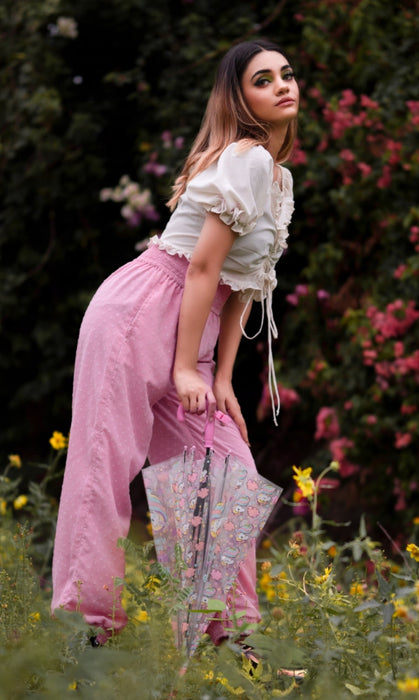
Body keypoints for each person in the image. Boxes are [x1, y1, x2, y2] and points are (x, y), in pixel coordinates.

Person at [51, 38, 299, 648]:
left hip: (196, 328)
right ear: (240, 100)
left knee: (227, 474)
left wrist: (217, 380)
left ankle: (231, 641)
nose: (283, 85)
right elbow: (201, 268)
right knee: (105, 464)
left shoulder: (277, 176)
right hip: (141, 312)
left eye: (286, 75)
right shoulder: (245, 158)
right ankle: (87, 636)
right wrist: (186, 366)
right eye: (263, 80)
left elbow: (245, 285)